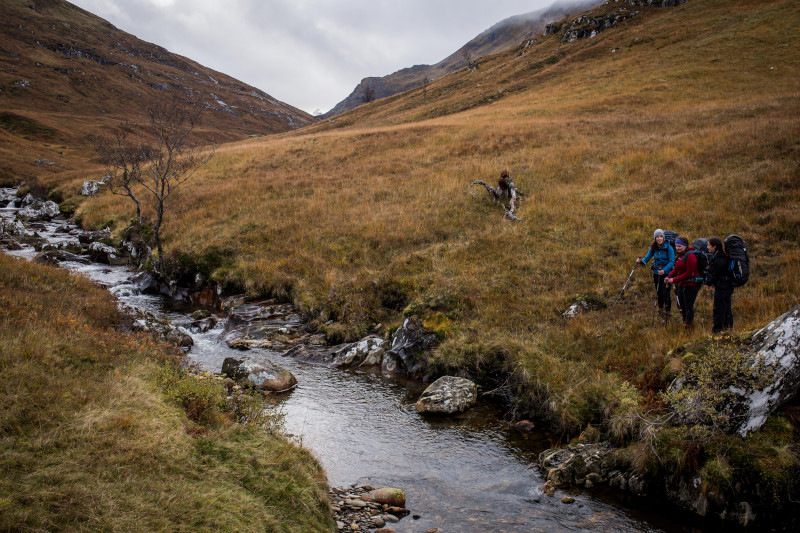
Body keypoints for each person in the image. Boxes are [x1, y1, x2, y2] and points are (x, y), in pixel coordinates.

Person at [636, 229, 675, 322]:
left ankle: (668, 312)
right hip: (656, 273)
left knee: (666, 293)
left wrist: (664, 270)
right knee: (659, 292)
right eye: (657, 237)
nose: (659, 238)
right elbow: (647, 258)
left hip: (667, 274)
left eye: (661, 236)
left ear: (663, 237)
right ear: (655, 238)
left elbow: (672, 262)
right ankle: (661, 310)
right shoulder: (653, 247)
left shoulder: (669, 247)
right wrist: (641, 261)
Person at [665, 236, 701, 329]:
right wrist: (669, 276)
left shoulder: (691, 256)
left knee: (688, 306)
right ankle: (685, 324)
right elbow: (676, 269)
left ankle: (689, 326)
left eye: (680, 246)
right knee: (682, 306)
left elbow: (689, 273)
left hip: (691, 285)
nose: (677, 248)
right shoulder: (680, 256)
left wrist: (674, 280)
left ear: (685, 246)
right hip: (682, 284)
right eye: (676, 246)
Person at [705, 236, 734, 333]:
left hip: (723, 287)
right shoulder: (722, 256)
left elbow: (715, 273)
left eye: (709, 245)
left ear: (715, 246)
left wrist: (709, 282)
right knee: (726, 308)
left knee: (719, 309)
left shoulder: (719, 258)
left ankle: (718, 330)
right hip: (725, 286)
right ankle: (727, 329)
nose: (707, 247)